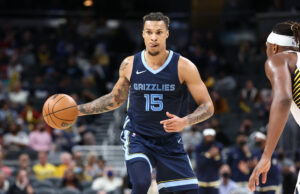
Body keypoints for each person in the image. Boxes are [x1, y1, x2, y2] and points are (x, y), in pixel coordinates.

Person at [77, 12, 214, 194]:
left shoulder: (184, 66)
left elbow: (208, 106)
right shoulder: (130, 64)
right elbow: (114, 99)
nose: (153, 37)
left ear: (167, 34)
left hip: (169, 141)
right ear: (142, 34)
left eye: (158, 32)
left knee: (189, 191)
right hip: (138, 136)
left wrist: (185, 121)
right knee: (141, 183)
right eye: (149, 32)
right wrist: (78, 110)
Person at [248, 21, 300, 193]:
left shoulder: (278, 60)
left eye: (266, 47)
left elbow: (283, 99)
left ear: (274, 47)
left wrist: (266, 155)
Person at [195, 128, 223, 194]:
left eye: (211, 136)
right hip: (201, 183)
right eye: (208, 136)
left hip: (214, 182)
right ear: (204, 137)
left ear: (214, 137)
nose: (210, 138)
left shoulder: (218, 146)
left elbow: (219, 164)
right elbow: (199, 164)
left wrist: (217, 156)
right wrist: (209, 154)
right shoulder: (199, 147)